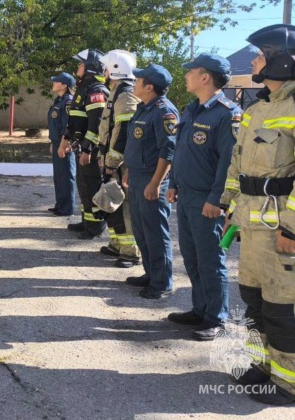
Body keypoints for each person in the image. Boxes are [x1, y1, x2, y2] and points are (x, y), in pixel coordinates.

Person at [220, 24, 295, 406]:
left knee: (283, 307)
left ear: (282, 60)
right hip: (251, 225)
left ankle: (288, 383)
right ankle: (262, 366)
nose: (254, 61)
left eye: (260, 55)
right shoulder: (256, 107)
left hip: (281, 229)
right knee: (253, 299)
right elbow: (238, 163)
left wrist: (292, 230)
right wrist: (228, 204)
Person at [166, 54, 240, 341]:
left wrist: (218, 200)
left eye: (191, 72)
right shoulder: (191, 109)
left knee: (211, 260)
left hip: (207, 200)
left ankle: (215, 317)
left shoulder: (226, 113)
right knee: (192, 257)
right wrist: (173, 182)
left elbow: (229, 163)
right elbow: (181, 151)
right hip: (185, 196)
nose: (186, 76)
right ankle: (200, 309)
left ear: (205, 77)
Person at [123, 64, 179, 300]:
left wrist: (156, 183)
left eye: (138, 80)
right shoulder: (144, 108)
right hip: (137, 176)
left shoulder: (164, 112)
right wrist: (127, 170)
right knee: (141, 230)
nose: (134, 83)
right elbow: (136, 145)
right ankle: (150, 273)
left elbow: (168, 152)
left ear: (149, 86)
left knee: (155, 231)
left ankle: (162, 282)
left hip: (151, 179)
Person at [98, 50, 142, 268]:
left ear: (115, 69)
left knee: (124, 205)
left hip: (121, 163)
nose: (104, 72)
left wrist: (112, 162)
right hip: (111, 160)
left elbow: (123, 131)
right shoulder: (116, 93)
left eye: (106, 68)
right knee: (113, 202)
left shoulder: (125, 95)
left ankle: (131, 252)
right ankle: (116, 243)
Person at [59, 49, 109, 239]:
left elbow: (97, 125)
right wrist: (68, 140)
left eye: (80, 64)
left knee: (92, 186)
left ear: (90, 67)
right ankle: (87, 221)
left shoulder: (96, 91)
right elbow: (76, 120)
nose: (77, 67)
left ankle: (95, 226)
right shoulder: (84, 88)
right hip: (82, 147)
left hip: (92, 150)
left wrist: (88, 148)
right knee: (84, 186)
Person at [47, 72, 76, 217]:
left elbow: (68, 126)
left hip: (64, 143)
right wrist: (53, 142)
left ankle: (67, 208)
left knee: (66, 175)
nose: (53, 83)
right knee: (59, 175)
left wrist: (63, 144)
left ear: (64, 85)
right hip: (57, 141)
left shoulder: (68, 101)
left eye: (56, 81)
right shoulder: (59, 100)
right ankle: (60, 205)